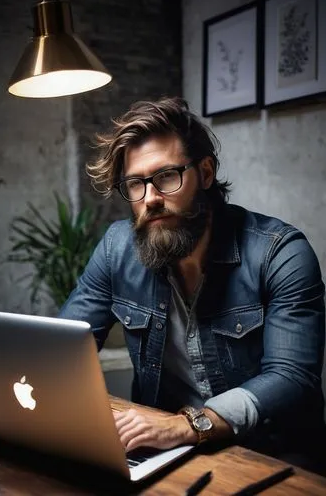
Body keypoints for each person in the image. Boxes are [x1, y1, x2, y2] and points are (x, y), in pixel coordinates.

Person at [59, 97, 326, 473]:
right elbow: (66, 348)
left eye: (167, 177)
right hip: (164, 453)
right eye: (135, 184)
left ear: (205, 173)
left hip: (271, 455)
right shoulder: (118, 248)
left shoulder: (280, 253)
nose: (150, 199)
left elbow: (291, 377)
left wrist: (187, 425)